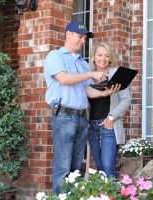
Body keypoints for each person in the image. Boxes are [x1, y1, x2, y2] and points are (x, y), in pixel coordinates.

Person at [44, 21, 120, 195]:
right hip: (64, 116)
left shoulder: (83, 64)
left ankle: (71, 198)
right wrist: (92, 74)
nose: (82, 41)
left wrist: (106, 92)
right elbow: (64, 79)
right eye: (80, 37)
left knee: (76, 168)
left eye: (85, 38)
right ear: (68, 34)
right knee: (63, 165)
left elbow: (87, 91)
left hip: (81, 118)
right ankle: (59, 198)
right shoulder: (55, 56)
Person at [86, 42, 131, 178]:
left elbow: (126, 100)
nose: (103, 59)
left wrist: (111, 117)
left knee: (108, 167)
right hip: (92, 126)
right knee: (100, 168)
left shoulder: (117, 74)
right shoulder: (88, 76)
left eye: (106, 56)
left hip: (109, 126)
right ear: (93, 57)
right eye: (99, 55)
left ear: (110, 58)